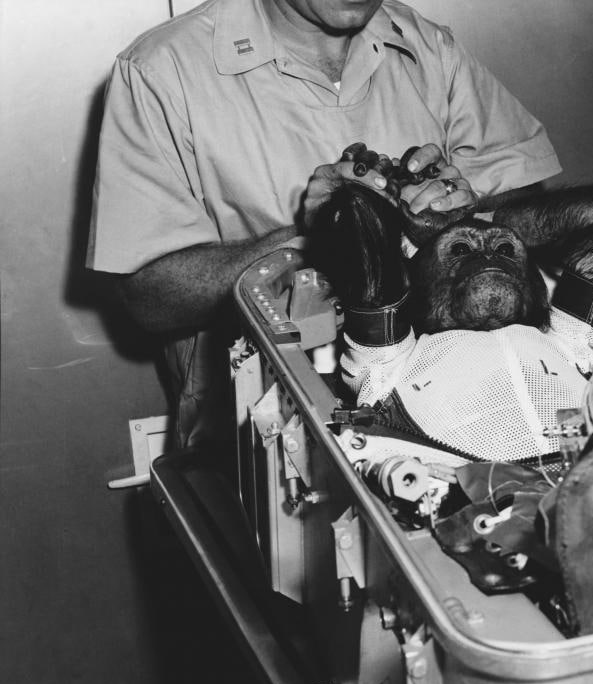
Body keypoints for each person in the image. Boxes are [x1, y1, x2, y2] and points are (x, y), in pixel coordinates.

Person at [87, 0, 561, 449]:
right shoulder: (162, 71)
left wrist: (459, 216)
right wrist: (317, 238)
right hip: (268, 441)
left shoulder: (429, 47)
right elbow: (149, 298)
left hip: (457, 412)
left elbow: (529, 206)